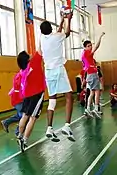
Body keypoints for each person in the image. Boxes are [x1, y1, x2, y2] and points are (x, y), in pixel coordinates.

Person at [40, 12, 75, 141]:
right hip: (59, 70)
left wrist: (61, 19)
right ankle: (67, 125)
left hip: (48, 72)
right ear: (51, 29)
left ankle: (49, 128)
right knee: (69, 97)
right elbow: (66, 32)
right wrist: (68, 20)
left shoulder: (43, 38)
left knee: (52, 100)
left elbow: (58, 33)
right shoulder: (57, 37)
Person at [17, 46, 46, 152]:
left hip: (27, 95)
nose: (30, 54)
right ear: (27, 59)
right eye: (28, 54)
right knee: (33, 118)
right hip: (37, 94)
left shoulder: (22, 70)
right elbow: (40, 48)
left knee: (25, 116)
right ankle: (24, 140)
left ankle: (20, 135)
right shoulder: (34, 62)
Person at [81, 32, 105, 119]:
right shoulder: (87, 53)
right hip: (92, 74)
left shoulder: (83, 54)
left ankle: (87, 108)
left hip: (89, 76)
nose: (90, 47)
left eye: (91, 45)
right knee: (97, 92)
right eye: (88, 46)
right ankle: (95, 109)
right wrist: (100, 37)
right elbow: (97, 46)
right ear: (85, 47)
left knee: (91, 92)